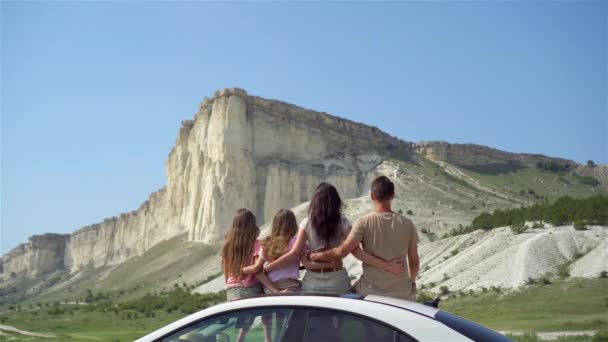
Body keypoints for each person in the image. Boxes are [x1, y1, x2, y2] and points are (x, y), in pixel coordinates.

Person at [264, 182, 406, 294]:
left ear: (315, 202)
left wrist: (269, 267)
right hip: (337, 279)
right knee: (338, 326)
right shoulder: (342, 222)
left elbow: (294, 253)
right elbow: (357, 252)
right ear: (335, 202)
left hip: (312, 281)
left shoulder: (306, 223)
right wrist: (388, 266)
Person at [310, 176, 420, 301]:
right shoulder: (408, 224)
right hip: (402, 292)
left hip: (371, 292)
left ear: (372, 196)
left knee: (346, 297)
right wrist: (410, 282)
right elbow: (414, 262)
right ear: (393, 195)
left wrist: (315, 256)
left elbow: (344, 250)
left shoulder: (364, 222)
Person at [221, 208, 277, 342]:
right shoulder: (257, 244)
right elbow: (257, 270)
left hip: (232, 291)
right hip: (250, 289)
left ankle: (240, 340)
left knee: (246, 321)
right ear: (252, 225)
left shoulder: (227, 245)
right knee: (266, 309)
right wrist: (275, 289)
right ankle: (267, 339)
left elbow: (226, 272)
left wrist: (236, 273)